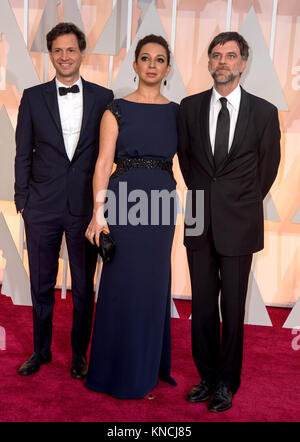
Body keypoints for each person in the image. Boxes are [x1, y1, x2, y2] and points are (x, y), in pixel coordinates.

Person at [178, 32, 281, 412]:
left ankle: (227, 381)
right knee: (202, 305)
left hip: (240, 220)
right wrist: (207, 194)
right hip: (198, 216)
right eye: (216, 55)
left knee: (233, 309)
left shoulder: (265, 112)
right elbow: (187, 163)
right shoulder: (188, 108)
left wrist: (238, 200)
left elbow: (268, 169)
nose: (222, 61)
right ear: (209, 62)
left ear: (243, 63)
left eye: (231, 55)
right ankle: (206, 376)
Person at [14, 22, 113, 379]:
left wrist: (103, 205)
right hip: (40, 207)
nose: (65, 56)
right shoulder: (32, 96)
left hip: (84, 210)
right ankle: (40, 351)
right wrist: (22, 200)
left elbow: (108, 153)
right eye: (58, 50)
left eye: (71, 49)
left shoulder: (105, 97)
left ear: (82, 53)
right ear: (50, 54)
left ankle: (79, 355)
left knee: (84, 288)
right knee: (41, 284)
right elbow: (22, 152)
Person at [85, 34, 178, 399]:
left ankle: (146, 367)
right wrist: (98, 213)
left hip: (160, 208)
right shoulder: (116, 109)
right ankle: (113, 369)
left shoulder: (177, 113)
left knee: (152, 286)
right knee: (120, 285)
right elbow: (104, 163)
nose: (152, 64)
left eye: (159, 59)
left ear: (167, 68)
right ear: (135, 65)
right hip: (124, 204)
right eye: (145, 58)